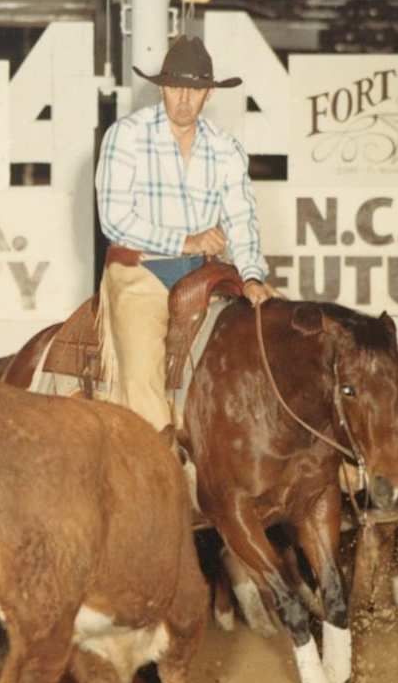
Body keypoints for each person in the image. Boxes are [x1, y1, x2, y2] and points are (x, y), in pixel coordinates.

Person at [95, 35, 272, 433]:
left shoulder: (226, 148)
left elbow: (242, 218)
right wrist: (185, 241)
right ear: (162, 87)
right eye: (176, 88)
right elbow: (115, 219)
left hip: (205, 273)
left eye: (194, 90)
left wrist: (252, 274)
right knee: (141, 374)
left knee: (273, 339)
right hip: (142, 271)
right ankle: (158, 461)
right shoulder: (127, 136)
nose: (183, 100)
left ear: (208, 93)